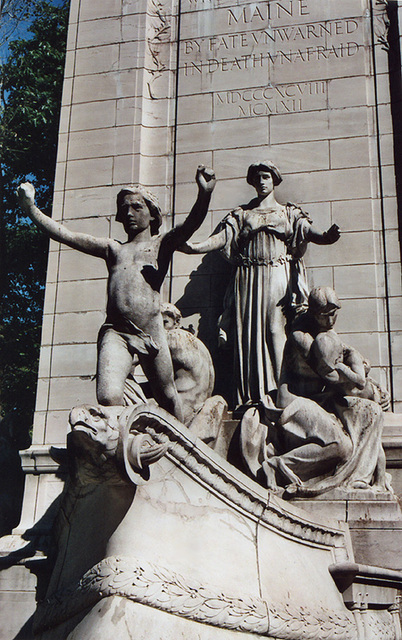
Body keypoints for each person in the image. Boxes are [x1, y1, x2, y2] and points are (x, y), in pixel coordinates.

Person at [17, 166, 216, 421]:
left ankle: (184, 446)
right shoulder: (113, 249)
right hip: (116, 331)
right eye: (124, 209)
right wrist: (31, 209)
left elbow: (189, 225)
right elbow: (68, 236)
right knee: (108, 397)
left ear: (152, 214)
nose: (129, 213)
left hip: (150, 331)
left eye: (136, 207)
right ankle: (123, 442)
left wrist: (205, 193)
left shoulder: (160, 245)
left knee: (167, 395)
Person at [181, 161, 340, 409]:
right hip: (247, 278)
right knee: (247, 333)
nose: (261, 182)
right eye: (257, 179)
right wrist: (193, 248)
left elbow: (307, 231)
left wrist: (326, 237)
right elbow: (220, 239)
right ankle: (250, 397)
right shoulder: (242, 214)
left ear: (275, 180)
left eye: (266, 177)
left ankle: (281, 393)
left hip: (277, 274)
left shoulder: (288, 213)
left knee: (276, 331)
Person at [241, 287, 390, 497]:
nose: (330, 320)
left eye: (334, 314)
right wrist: (360, 378)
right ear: (313, 312)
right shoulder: (300, 337)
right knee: (341, 446)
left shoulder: (326, 332)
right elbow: (331, 375)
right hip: (293, 403)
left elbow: (345, 355)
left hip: (319, 400)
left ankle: (360, 478)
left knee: (371, 412)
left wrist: (373, 387)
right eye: (324, 315)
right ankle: (276, 466)